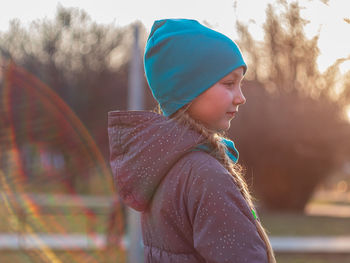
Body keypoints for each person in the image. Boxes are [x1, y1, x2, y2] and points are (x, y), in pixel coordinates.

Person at [108, 18, 277, 263]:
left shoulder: (163, 163)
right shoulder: (205, 175)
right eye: (229, 83)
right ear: (189, 88)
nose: (240, 97)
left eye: (240, 84)